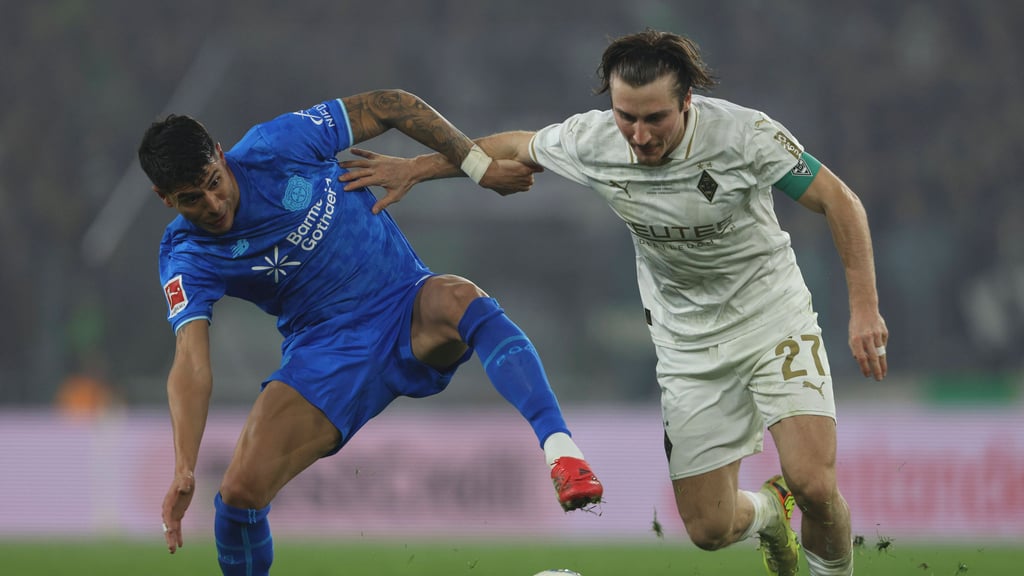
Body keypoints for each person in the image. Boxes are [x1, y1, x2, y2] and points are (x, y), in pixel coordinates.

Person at [338, 30, 889, 576]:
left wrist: (863, 307)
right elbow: (509, 148)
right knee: (709, 529)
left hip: (772, 319)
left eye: (656, 119)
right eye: (627, 116)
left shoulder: (746, 135)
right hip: (686, 343)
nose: (640, 134)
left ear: (687, 102)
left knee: (814, 483)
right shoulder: (595, 140)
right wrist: (417, 168)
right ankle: (770, 513)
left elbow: (840, 201)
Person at [137, 89, 603, 576]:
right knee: (237, 497)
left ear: (219, 151)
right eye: (192, 199)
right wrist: (185, 465)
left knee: (461, 297)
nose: (213, 204)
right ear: (165, 198)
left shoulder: (279, 145)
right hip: (326, 354)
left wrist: (476, 167)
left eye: (214, 181)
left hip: (404, 301)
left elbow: (392, 104)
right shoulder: (185, 255)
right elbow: (190, 361)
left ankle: (564, 456)